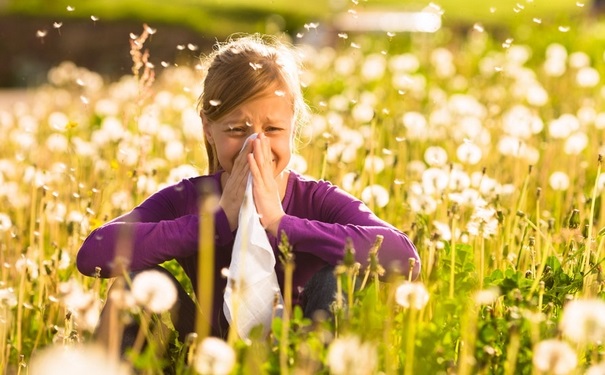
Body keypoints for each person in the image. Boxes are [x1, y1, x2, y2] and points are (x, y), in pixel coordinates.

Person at [76, 33, 420, 342]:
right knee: (132, 283)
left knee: (337, 277)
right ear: (208, 129)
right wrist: (214, 222)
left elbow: (405, 258)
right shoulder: (190, 198)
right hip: (208, 349)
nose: (256, 145)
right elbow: (94, 254)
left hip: (305, 348)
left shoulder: (316, 198)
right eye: (237, 130)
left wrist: (281, 224)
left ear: (292, 127)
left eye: (272, 130)